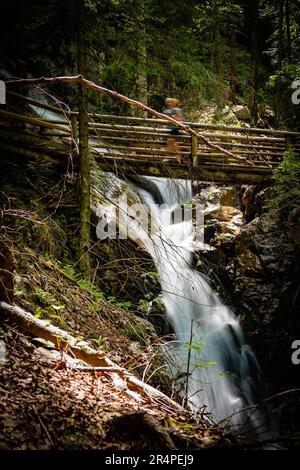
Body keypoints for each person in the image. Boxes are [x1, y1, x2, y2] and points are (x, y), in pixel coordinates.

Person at [163, 97, 185, 163]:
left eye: (170, 102)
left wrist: (173, 117)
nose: (168, 103)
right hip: (168, 129)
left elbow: (181, 120)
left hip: (176, 129)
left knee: (172, 142)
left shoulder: (177, 110)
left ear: (173, 103)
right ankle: (171, 157)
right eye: (167, 102)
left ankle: (176, 158)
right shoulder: (166, 110)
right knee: (169, 142)